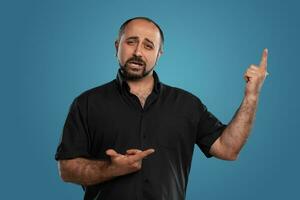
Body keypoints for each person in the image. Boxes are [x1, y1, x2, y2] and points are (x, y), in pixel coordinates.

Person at [55, 16, 269, 200]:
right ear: (116, 47)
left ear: (159, 54)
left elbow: (228, 149)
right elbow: (67, 170)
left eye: (149, 46)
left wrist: (252, 96)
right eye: (131, 42)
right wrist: (111, 169)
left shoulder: (187, 104)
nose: (138, 52)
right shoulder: (87, 103)